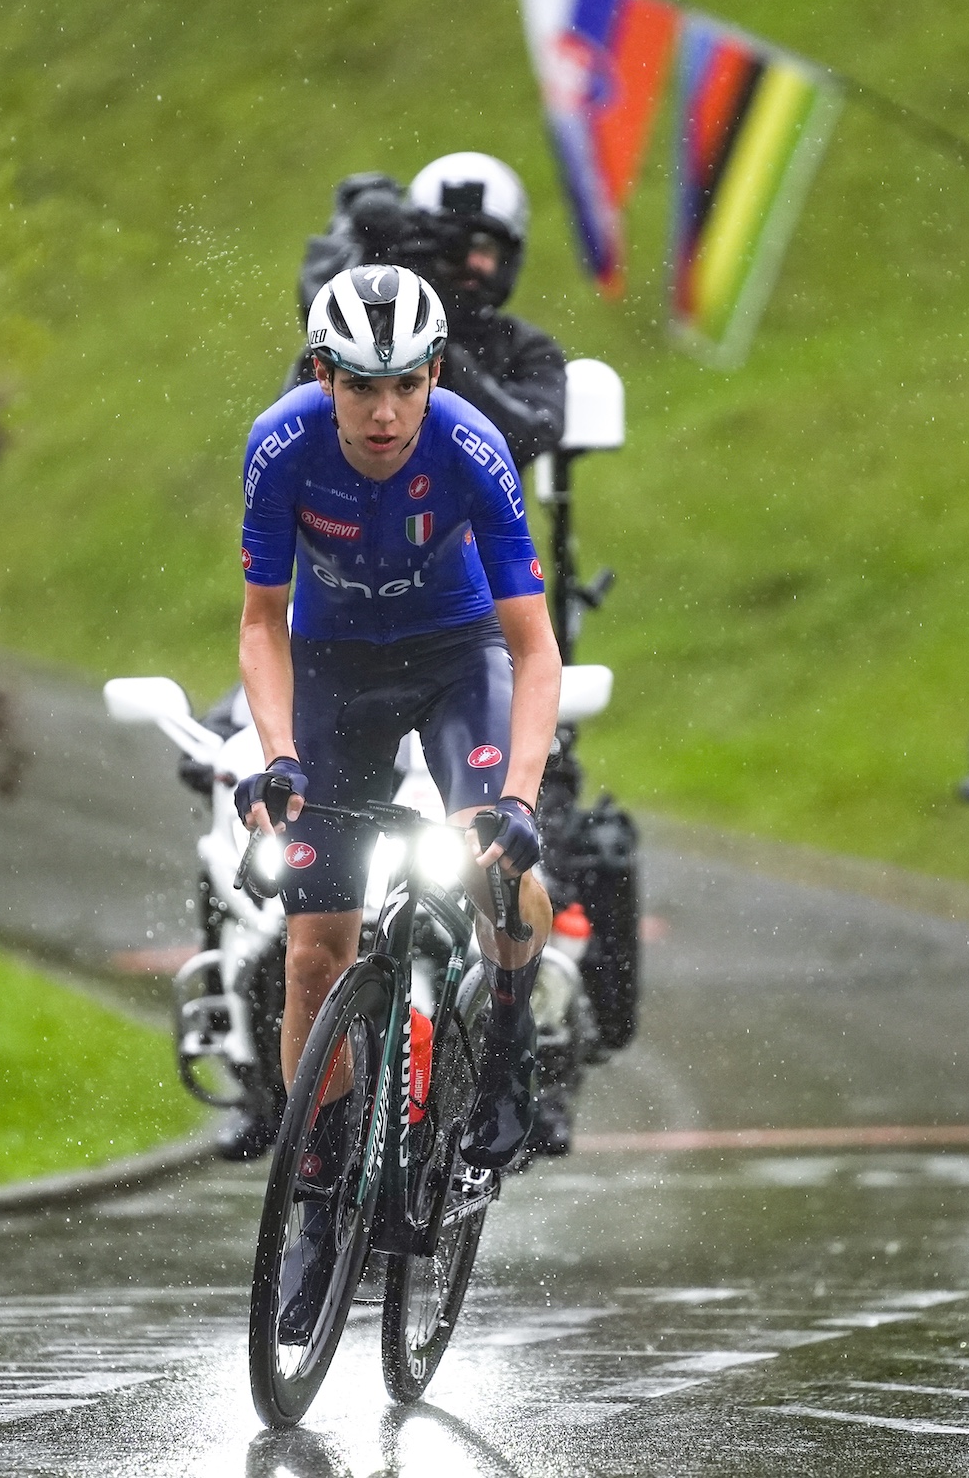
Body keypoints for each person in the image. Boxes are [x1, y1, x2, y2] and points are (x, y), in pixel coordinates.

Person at [233, 263, 561, 1341]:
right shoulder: (281, 447)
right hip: (331, 670)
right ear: (323, 375)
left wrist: (515, 798)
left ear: (433, 376)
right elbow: (261, 622)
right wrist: (277, 756)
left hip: (454, 659)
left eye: (406, 386)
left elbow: (532, 646)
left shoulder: (472, 448)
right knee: (312, 950)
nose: (384, 413)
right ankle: (319, 1199)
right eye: (361, 387)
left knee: (495, 865)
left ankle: (508, 1055)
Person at [289, 153, 567, 471]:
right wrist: (359, 242)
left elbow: (527, 436)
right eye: (452, 246)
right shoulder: (366, 331)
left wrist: (427, 342)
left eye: (484, 248)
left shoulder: (526, 348)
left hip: (466, 519)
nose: (470, 262)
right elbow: (318, 311)